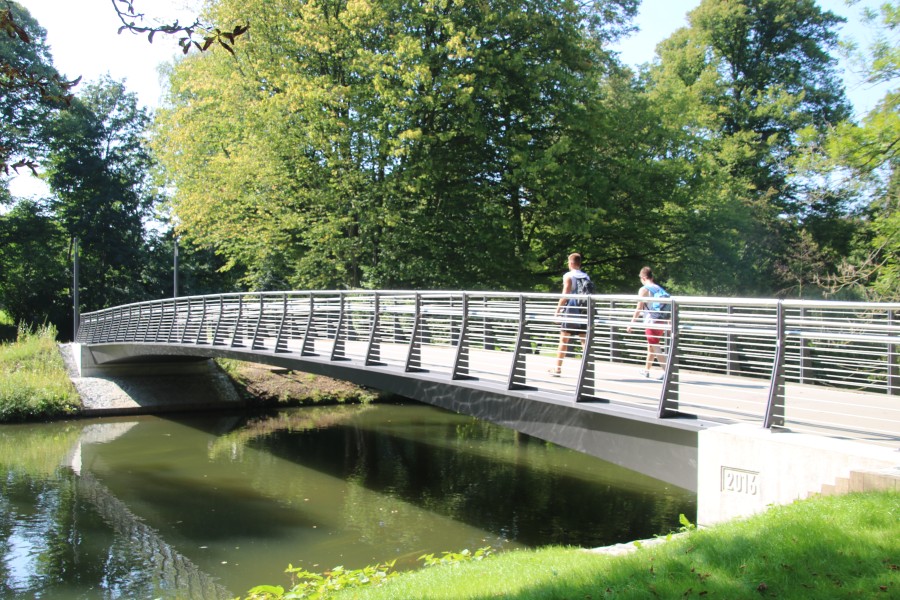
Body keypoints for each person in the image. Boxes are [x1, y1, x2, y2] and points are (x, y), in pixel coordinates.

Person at [549, 253, 592, 376]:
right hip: (584, 310)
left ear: (571, 263)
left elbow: (565, 295)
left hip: (571, 310)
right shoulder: (586, 276)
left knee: (564, 339)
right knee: (584, 340)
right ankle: (586, 369)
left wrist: (557, 311)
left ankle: (557, 368)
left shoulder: (568, 276)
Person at [627, 266, 667, 379]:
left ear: (643, 277)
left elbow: (639, 308)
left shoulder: (644, 289)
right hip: (661, 321)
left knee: (655, 346)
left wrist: (632, 323)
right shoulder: (659, 288)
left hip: (651, 321)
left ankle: (667, 371)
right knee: (652, 346)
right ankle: (646, 370)